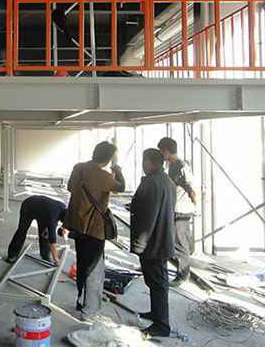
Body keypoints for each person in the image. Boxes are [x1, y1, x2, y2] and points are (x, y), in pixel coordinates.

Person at [64, 141, 125, 320]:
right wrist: (118, 170)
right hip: (94, 229)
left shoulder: (78, 167)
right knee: (94, 269)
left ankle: (81, 301)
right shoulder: (104, 176)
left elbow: (70, 187)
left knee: (82, 264)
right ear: (108, 159)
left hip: (77, 225)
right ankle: (89, 311)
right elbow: (121, 188)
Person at [130, 148, 176, 338]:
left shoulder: (151, 182)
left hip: (153, 242)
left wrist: (140, 244)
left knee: (157, 282)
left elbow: (148, 216)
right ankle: (156, 314)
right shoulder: (167, 181)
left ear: (150, 162)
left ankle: (161, 325)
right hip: (163, 238)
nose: (142, 165)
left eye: (144, 161)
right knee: (155, 281)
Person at [157, 137, 197, 286]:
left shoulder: (179, 166)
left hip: (181, 210)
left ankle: (183, 275)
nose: (161, 156)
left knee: (181, 244)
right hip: (177, 209)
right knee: (177, 241)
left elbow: (191, 189)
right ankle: (179, 272)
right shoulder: (175, 165)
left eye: (161, 152)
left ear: (166, 151)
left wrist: (194, 206)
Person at [6, 195, 67, 265]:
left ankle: (45, 255)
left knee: (44, 234)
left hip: (43, 211)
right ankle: (12, 254)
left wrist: (63, 228)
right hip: (29, 206)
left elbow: (67, 221)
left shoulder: (64, 208)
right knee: (22, 230)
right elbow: (52, 240)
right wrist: (56, 258)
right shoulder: (53, 217)